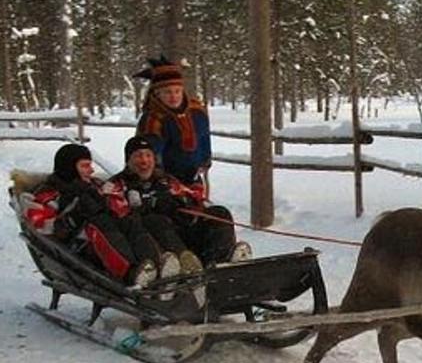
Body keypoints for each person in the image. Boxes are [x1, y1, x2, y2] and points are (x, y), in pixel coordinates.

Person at [23, 143, 174, 288]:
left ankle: (154, 266)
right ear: (69, 168)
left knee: (129, 222)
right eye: (85, 166)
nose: (91, 170)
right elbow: (41, 227)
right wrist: (74, 215)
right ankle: (130, 273)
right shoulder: (50, 193)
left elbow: (120, 206)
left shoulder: (95, 185)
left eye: (90, 165)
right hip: (77, 250)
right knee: (100, 223)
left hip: (107, 241)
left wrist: (116, 202)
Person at [110, 135, 252, 267]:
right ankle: (187, 263)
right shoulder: (117, 185)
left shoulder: (165, 181)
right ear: (128, 160)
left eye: (148, 155)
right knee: (155, 220)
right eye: (138, 156)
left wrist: (182, 203)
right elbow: (118, 215)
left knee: (219, 213)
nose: (144, 161)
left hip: (181, 234)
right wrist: (149, 207)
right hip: (153, 245)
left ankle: (220, 260)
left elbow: (195, 198)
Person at [133, 56, 212, 185]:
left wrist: (205, 160)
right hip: (165, 181)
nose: (173, 96)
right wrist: (158, 175)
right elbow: (148, 152)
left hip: (194, 177)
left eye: (177, 91)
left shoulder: (197, 112)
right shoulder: (153, 119)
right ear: (157, 93)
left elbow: (204, 137)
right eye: (167, 92)